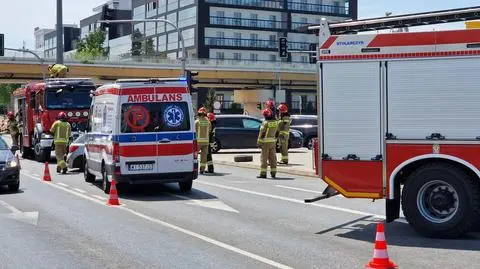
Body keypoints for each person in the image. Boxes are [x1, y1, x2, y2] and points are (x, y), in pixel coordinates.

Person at [257, 108, 279, 179]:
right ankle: (273, 173)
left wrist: (259, 142)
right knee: (273, 158)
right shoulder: (275, 123)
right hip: (273, 142)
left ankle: (263, 174)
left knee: (264, 158)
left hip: (265, 143)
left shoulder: (265, 123)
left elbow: (262, 133)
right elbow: (277, 132)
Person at [195, 107, 211, 174]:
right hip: (206, 142)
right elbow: (210, 130)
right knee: (203, 157)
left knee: (194, 156)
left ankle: (194, 168)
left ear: (199, 113)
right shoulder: (208, 121)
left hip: (198, 142)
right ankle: (202, 170)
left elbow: (194, 131)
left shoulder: (197, 121)